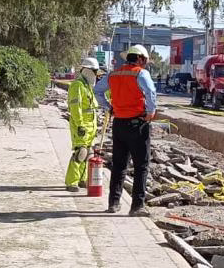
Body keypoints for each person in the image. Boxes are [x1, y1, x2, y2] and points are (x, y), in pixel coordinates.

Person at [95, 45, 158, 217]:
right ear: (139, 58)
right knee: (141, 166)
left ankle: (114, 203)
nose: (145, 64)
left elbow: (97, 91)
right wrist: (151, 112)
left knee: (119, 165)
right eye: (144, 60)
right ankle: (137, 206)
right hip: (138, 124)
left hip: (119, 124)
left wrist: (109, 107)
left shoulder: (113, 74)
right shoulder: (140, 73)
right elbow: (151, 92)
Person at [64, 58, 100, 190]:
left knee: (88, 153)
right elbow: (75, 107)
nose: (96, 74)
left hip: (90, 126)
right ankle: (71, 182)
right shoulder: (77, 85)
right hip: (82, 125)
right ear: (87, 70)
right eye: (95, 71)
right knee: (81, 152)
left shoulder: (87, 86)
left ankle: (82, 179)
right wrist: (80, 124)